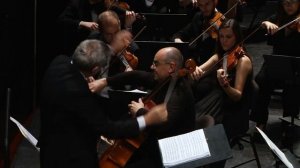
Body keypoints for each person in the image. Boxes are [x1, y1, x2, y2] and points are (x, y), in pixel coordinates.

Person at [38, 39, 168, 168]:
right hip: (69, 158)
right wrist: (146, 119)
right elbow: (109, 129)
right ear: (95, 69)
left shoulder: (59, 61)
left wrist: (84, 78)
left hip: (48, 145)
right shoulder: (79, 95)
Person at [88, 47, 195, 167]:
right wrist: (105, 81)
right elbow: (136, 76)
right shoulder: (164, 79)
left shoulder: (181, 91)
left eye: (156, 63)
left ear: (171, 67)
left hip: (169, 153)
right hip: (154, 144)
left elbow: (165, 124)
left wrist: (140, 111)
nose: (151, 67)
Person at [190, 18, 253, 140]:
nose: (224, 41)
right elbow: (199, 72)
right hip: (217, 102)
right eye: (221, 36)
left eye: (228, 37)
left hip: (232, 109)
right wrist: (194, 71)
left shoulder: (243, 61)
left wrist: (225, 85)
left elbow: (237, 96)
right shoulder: (220, 56)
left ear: (237, 37)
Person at [250, 0, 300, 137]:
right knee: (261, 80)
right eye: (286, 3)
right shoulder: (278, 18)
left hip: (297, 64)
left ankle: (288, 123)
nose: (289, 6)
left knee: (292, 87)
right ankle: (260, 121)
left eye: (293, 2)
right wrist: (265, 24)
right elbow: (258, 33)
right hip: (276, 61)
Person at [57, 0, 137, 55]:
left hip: (103, 40)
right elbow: (62, 20)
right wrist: (82, 23)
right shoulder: (77, 3)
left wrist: (130, 16)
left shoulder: (104, 2)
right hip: (84, 43)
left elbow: (117, 10)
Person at [172, 0, 224, 65]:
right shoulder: (198, 17)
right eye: (201, 5)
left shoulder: (223, 20)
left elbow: (221, 51)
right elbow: (180, 34)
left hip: (213, 64)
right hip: (196, 62)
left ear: (215, 2)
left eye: (207, 4)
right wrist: (178, 40)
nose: (204, 8)